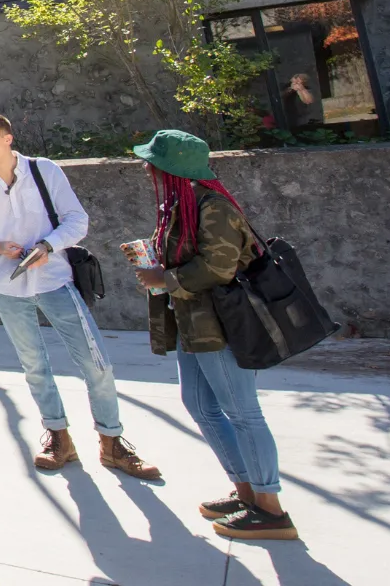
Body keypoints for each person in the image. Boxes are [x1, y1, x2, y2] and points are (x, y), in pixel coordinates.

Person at [0, 113, 161, 481]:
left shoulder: (44, 170)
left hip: (55, 279)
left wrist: (49, 246)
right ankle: (59, 438)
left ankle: (112, 442)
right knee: (34, 367)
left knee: (96, 362)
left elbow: (76, 220)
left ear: (7, 138)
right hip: (6, 284)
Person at [131, 129, 297, 541]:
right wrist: (152, 263)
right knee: (201, 406)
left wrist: (163, 277)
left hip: (222, 326)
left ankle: (271, 509)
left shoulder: (214, 207)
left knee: (243, 413)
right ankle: (246, 493)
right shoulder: (183, 203)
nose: (146, 166)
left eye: (153, 160)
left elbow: (219, 268)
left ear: (172, 167)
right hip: (193, 325)